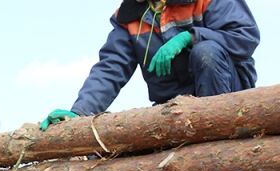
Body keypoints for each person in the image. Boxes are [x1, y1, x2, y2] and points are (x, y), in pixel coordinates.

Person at [40, 0, 260, 131]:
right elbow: (111, 68)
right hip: (174, 105)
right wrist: (80, 112)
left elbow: (245, 36)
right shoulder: (128, 16)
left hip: (228, 91)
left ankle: (217, 134)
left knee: (206, 52)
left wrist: (192, 37)